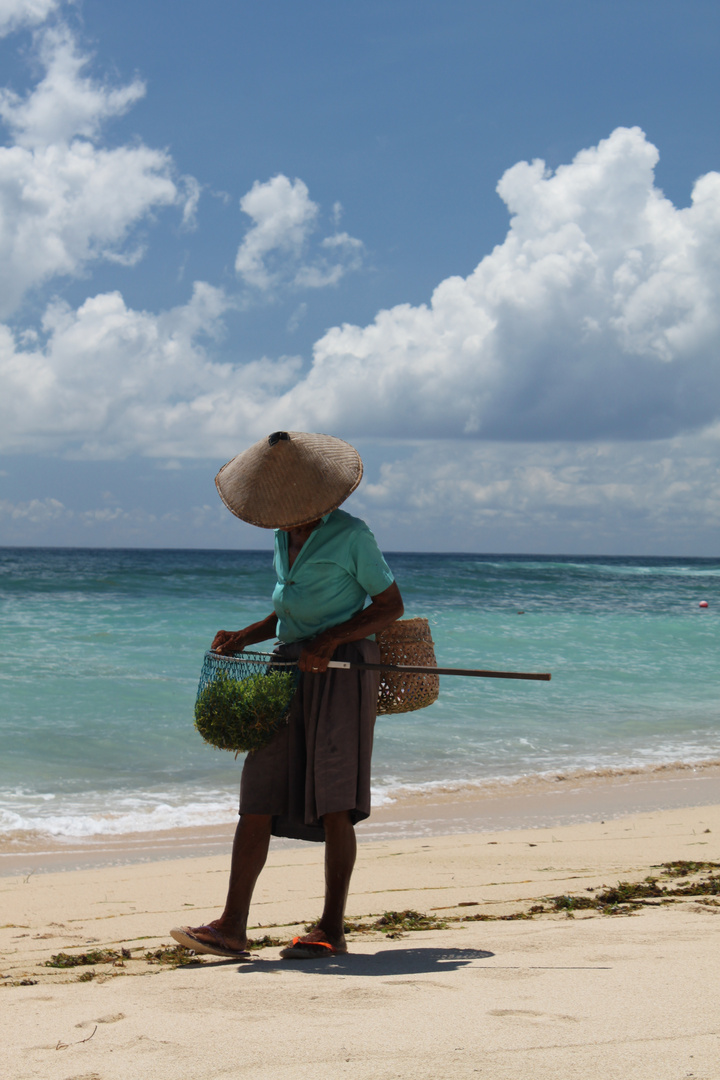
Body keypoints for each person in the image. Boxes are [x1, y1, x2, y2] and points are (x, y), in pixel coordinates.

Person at [171, 431, 403, 960]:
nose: (285, 519)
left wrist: (330, 638)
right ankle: (231, 927)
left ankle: (331, 928)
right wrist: (248, 634)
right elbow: (290, 609)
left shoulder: (353, 536)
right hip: (289, 665)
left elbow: (389, 605)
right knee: (258, 792)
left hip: (342, 670)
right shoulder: (281, 539)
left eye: (293, 510)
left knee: (335, 799)